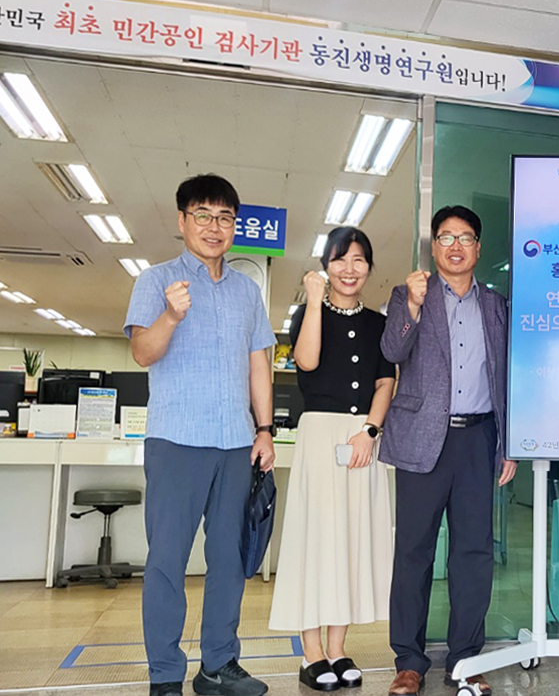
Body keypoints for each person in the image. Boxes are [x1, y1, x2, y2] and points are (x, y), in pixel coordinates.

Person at [124, 174, 275, 696]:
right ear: (182, 220)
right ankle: (165, 674)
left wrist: (264, 429)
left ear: (235, 226)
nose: (214, 227)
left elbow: (259, 365)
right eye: (203, 215)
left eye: (225, 217)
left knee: (229, 558)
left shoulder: (247, 291)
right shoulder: (156, 280)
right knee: (167, 559)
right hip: (176, 440)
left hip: (235, 442)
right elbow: (142, 352)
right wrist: (170, 315)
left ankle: (218, 666)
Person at [379, 205, 517, 696]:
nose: (455, 246)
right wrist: (414, 308)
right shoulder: (408, 295)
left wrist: (509, 443)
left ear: (478, 248)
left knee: (473, 553)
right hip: (422, 438)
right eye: (445, 237)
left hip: (478, 438)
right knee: (413, 552)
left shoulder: (497, 305)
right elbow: (392, 352)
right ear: (433, 247)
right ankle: (408, 661)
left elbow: (506, 377)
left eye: (465, 237)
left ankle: (465, 659)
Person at [268, 227, 396, 691]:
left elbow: (385, 382)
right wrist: (314, 300)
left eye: (359, 260)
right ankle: (312, 653)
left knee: (350, 540)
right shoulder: (309, 314)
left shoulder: (379, 324)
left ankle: (338, 648)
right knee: (316, 540)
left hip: (363, 438)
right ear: (325, 267)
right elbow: (306, 361)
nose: (349, 269)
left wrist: (370, 431)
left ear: (369, 268)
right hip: (321, 436)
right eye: (340, 260)